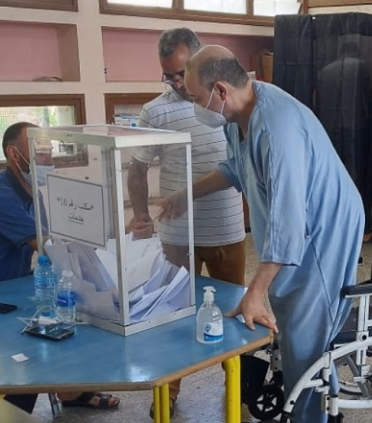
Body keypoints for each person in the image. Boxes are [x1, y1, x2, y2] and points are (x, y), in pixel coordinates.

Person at [158, 45, 364, 423]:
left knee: (305, 333)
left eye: (197, 98)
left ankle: (312, 416)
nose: (196, 107)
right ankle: (318, 401)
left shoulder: (276, 128)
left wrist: (254, 292)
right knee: (291, 320)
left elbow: (290, 225)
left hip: (323, 226)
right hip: (292, 226)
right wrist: (186, 195)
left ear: (220, 90)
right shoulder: (237, 115)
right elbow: (234, 169)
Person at [0, 122, 120, 413]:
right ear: (14, 154)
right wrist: (98, 266)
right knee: (29, 351)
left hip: (4, 289)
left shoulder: (34, 194)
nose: (49, 159)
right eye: (41, 152)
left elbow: (51, 242)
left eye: (49, 151)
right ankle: (12, 413)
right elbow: (46, 246)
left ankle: (70, 391)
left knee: (65, 315)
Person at [125, 27, 247, 416]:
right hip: (177, 235)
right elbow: (137, 169)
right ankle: (169, 392)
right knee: (173, 315)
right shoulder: (155, 111)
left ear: (198, 63)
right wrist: (141, 215)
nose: (177, 83)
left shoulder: (222, 100)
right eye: (169, 76)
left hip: (227, 228)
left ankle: (240, 389)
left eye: (181, 74)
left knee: (233, 314)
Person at [315, 41, 372, 243]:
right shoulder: (362, 66)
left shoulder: (324, 71)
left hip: (329, 129)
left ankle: (334, 228)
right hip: (356, 127)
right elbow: (368, 97)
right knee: (358, 176)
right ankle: (362, 230)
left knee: (331, 178)